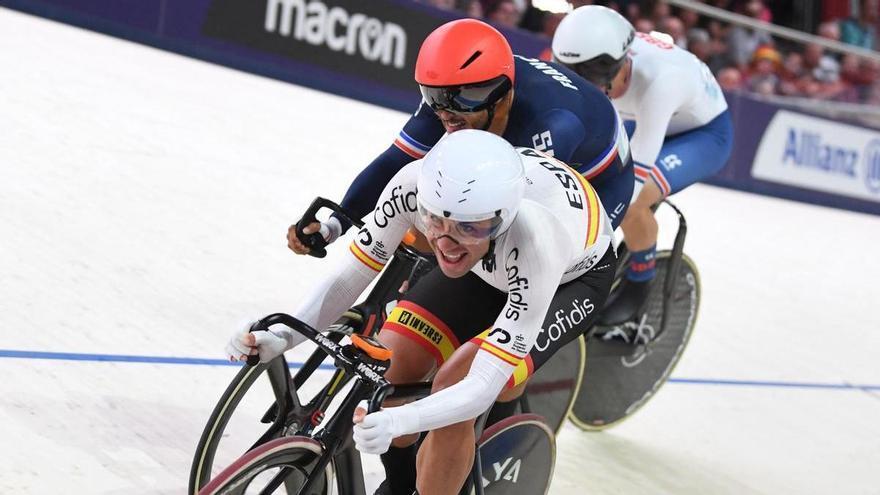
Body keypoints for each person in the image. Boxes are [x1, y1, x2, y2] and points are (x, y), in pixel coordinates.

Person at [229, 130, 617, 495]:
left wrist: (404, 421)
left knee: (454, 385)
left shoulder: (536, 239)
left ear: (504, 216)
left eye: (467, 227)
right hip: (484, 264)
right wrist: (284, 336)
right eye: (435, 221)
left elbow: (478, 388)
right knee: (393, 366)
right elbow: (350, 279)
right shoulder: (413, 186)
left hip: (568, 281)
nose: (446, 242)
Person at [287, 18, 633, 258]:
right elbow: (395, 162)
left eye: (460, 100)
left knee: (523, 256)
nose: (445, 113)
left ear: (499, 92)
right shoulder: (454, 93)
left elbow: (504, 216)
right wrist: (335, 224)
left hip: (599, 181)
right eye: (433, 97)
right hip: (530, 129)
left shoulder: (554, 125)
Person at [551, 5, 733, 322]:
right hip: (645, 118)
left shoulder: (662, 81)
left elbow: (632, 181)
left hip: (703, 134)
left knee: (630, 202)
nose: (582, 84)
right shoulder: (598, 57)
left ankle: (640, 283)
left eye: (589, 76)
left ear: (618, 64)